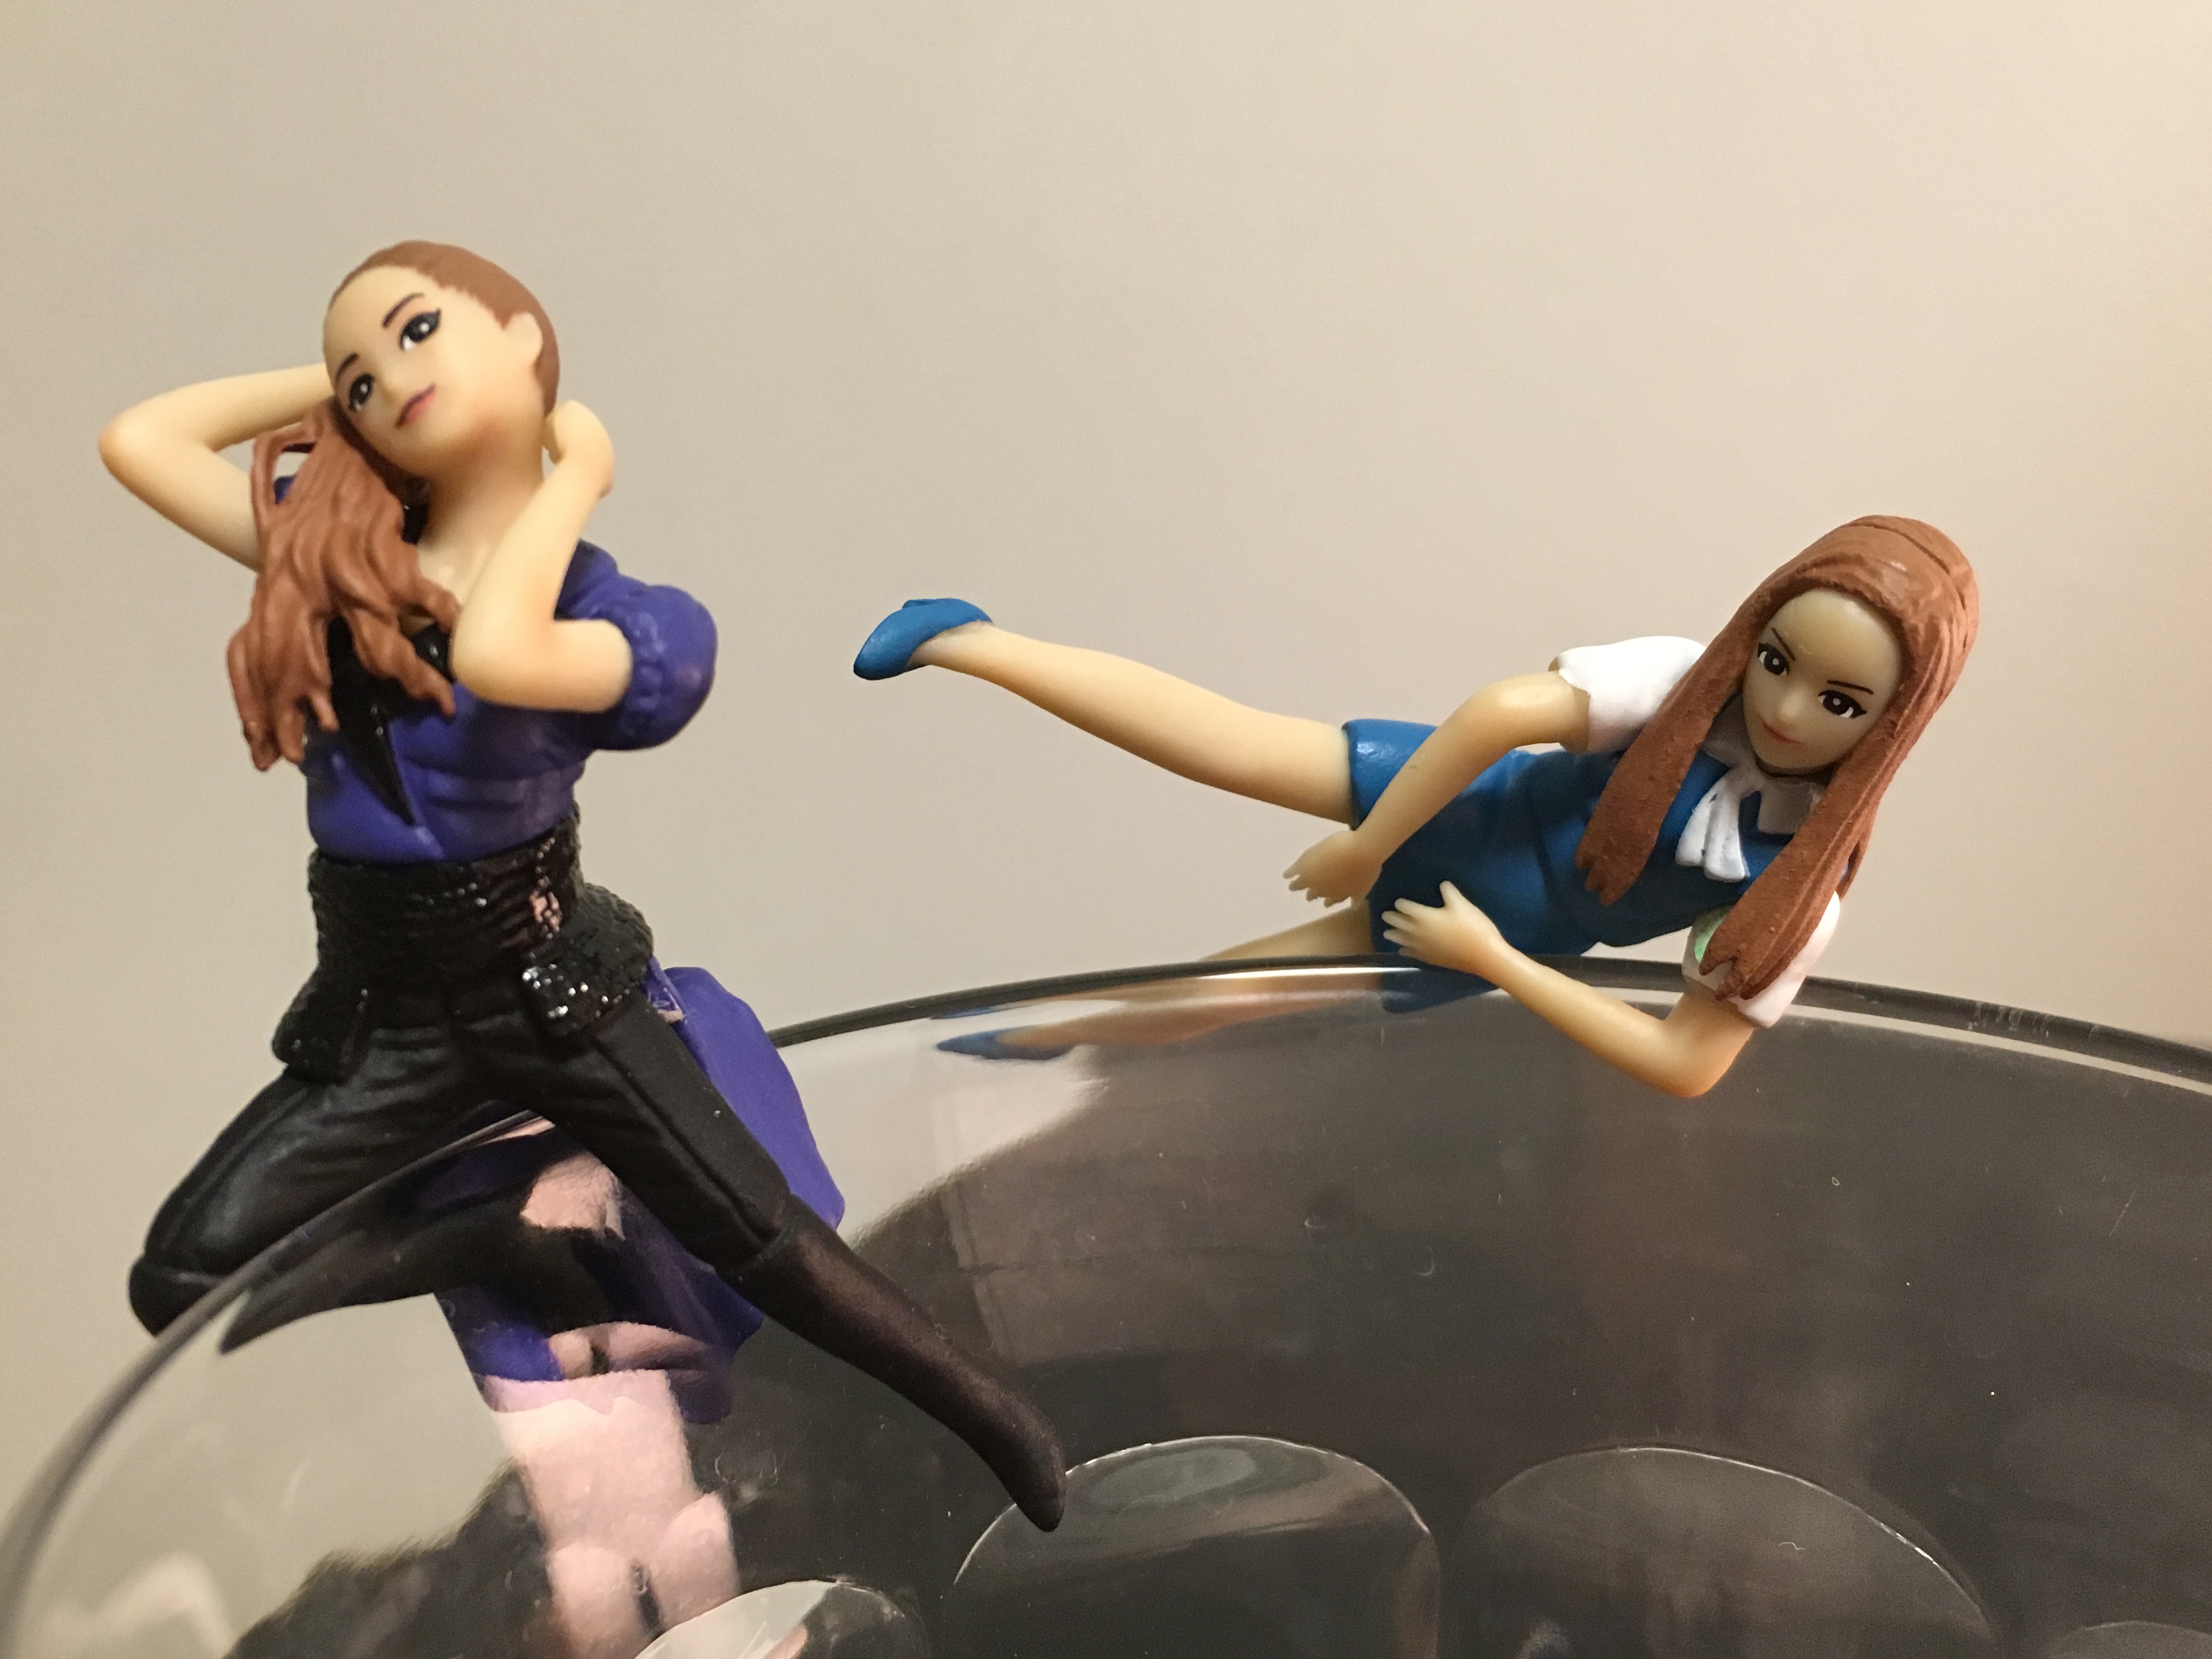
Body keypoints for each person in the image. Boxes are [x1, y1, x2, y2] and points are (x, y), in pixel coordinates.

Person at [99, 241, 1063, 1530]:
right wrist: (338, 393)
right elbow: (140, 440)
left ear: (522, 337)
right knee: (180, 1275)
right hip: (384, 1007)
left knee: (756, 1235)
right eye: (360, 376)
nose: (388, 378)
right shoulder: (342, 569)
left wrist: (572, 483)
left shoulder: (636, 616)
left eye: (420, 330)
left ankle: (997, 1423)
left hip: (551, 989)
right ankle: (496, 1236)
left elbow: (503, 651)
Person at [851, 517, 1977, 1096]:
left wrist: (1497, 962)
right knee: (1227, 742)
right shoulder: (1682, 684)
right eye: (1776, 660)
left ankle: (1038, 1037)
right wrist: (1370, 842)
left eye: (1840, 701)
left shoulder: (1797, 883)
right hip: (1462, 797)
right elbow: (1497, 714)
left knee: (1220, 996)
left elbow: (1686, 1063)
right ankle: (969, 641)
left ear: (1895, 720)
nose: (1785, 708)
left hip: (1486, 927)